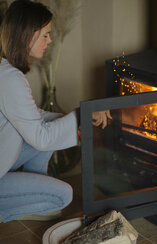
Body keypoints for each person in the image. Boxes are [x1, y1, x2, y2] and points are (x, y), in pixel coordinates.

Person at [0, 0, 111, 223]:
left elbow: (34, 117)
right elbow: (41, 137)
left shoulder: (5, 70)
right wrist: (81, 115)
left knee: (56, 125)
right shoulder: (10, 79)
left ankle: (31, 189)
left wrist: (79, 114)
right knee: (63, 196)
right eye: (45, 35)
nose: (50, 40)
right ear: (27, 35)